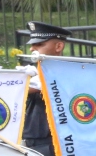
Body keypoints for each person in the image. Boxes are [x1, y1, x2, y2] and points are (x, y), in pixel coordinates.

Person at [21, 21, 71, 156]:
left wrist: (16, 83)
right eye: (32, 44)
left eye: (39, 44)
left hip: (54, 143)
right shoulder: (35, 71)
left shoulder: (67, 70)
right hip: (32, 141)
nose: (32, 49)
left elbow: (22, 90)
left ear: (59, 46)